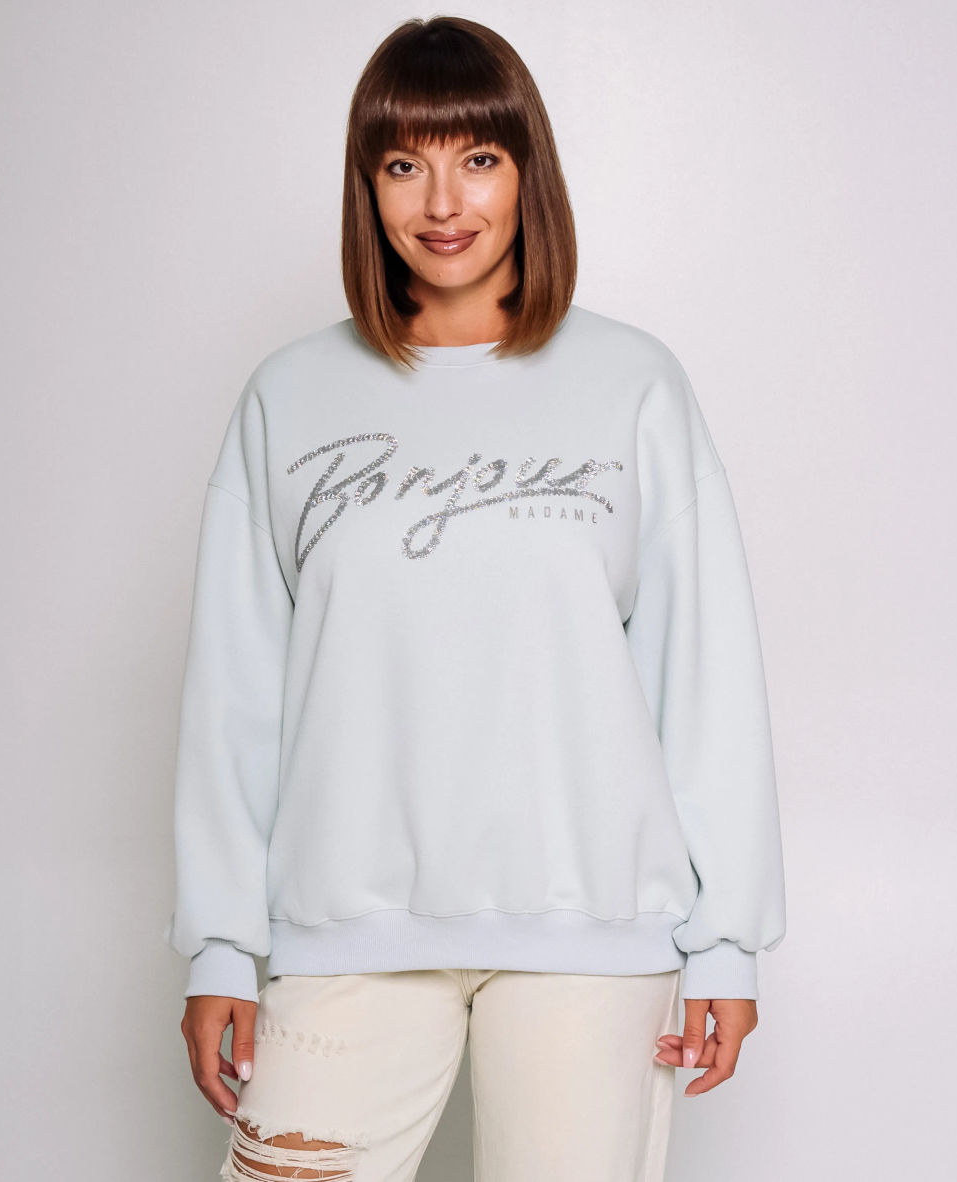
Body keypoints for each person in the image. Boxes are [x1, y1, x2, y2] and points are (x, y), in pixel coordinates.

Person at [163, 15, 786, 1182]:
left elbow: (702, 674)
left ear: (527, 173)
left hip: (593, 935)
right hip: (344, 927)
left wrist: (726, 944)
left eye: (479, 159)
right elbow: (234, 692)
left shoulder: (632, 385)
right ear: (367, 186)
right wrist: (219, 947)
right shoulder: (289, 397)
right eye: (404, 163)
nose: (442, 202)